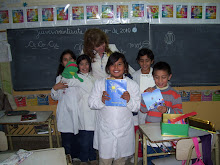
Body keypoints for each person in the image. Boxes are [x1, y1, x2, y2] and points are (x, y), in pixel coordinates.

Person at [88, 52, 140, 165]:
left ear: (125, 67)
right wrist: (101, 101)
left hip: (124, 131)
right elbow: (91, 103)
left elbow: (136, 107)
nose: (116, 68)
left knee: (120, 161)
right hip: (105, 131)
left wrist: (129, 100)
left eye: (119, 64)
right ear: (108, 68)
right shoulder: (100, 84)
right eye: (112, 64)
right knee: (104, 160)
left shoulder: (132, 85)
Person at [140, 61, 183, 165]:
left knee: (163, 160)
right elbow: (143, 110)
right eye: (156, 77)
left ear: (169, 77)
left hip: (166, 135)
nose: (159, 81)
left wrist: (167, 110)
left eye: (163, 77)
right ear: (153, 77)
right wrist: (144, 96)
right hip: (150, 133)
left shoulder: (174, 94)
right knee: (149, 158)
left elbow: (179, 113)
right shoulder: (151, 92)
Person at [51, 49, 80, 161]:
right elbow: (56, 97)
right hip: (65, 115)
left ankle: (76, 157)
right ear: (62, 63)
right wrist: (55, 88)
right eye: (65, 60)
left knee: (77, 139)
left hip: (77, 113)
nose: (68, 62)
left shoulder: (79, 77)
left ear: (75, 61)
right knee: (67, 140)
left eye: (71, 59)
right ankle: (67, 159)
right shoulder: (59, 78)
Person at [130, 48, 155, 163]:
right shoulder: (134, 76)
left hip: (155, 109)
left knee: (154, 131)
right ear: (138, 61)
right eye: (141, 61)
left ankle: (154, 152)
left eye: (147, 61)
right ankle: (140, 154)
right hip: (140, 110)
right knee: (141, 133)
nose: (144, 64)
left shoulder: (156, 74)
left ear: (152, 61)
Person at [75, 55, 98, 165]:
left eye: (87, 63)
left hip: (93, 112)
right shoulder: (76, 78)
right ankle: (84, 159)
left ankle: (92, 156)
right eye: (81, 64)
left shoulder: (93, 78)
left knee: (92, 137)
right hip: (83, 111)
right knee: (84, 137)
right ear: (78, 66)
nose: (84, 66)